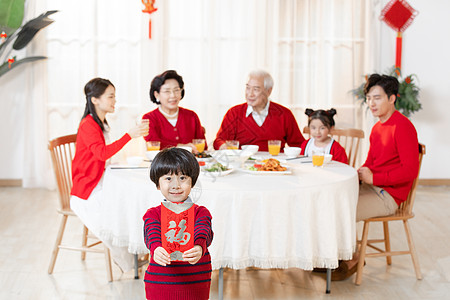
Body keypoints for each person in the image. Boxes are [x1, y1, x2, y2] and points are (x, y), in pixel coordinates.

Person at [333, 74, 420, 281]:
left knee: (342, 209)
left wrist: (375, 178)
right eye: (369, 98)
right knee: (334, 199)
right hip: (375, 187)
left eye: (377, 98)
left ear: (392, 99)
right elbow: (371, 162)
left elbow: (410, 171)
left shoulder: (403, 127)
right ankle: (338, 256)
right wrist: (361, 173)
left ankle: (350, 259)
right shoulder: (377, 128)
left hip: (389, 196)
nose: (371, 103)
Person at [70, 77, 149, 272]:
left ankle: (135, 251)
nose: (115, 101)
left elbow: (103, 157)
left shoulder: (101, 122)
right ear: (95, 99)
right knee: (119, 208)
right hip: (86, 189)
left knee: (131, 199)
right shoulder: (88, 124)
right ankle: (128, 258)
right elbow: (102, 153)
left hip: (98, 181)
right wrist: (129, 135)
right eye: (111, 96)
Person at [143, 147, 213, 300]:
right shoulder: (152, 214)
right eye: (168, 179)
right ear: (157, 184)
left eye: (183, 178)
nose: (176, 185)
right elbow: (151, 234)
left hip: (195, 285)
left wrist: (198, 247)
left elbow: (203, 231)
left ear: (192, 182)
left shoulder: (201, 212)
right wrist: (156, 248)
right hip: (159, 284)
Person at [213, 70, 305, 151]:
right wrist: (223, 147)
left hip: (275, 166)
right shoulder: (234, 113)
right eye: (248, 88)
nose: (250, 94)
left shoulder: (284, 114)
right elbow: (218, 141)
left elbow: (299, 145)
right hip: (244, 166)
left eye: (256, 89)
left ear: (268, 91)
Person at [142, 70, 206, 153]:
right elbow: (153, 145)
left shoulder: (191, 116)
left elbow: (202, 147)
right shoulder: (149, 118)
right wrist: (181, 147)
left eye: (176, 90)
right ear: (156, 94)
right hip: (163, 165)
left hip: (190, 164)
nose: (173, 95)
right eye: (167, 91)